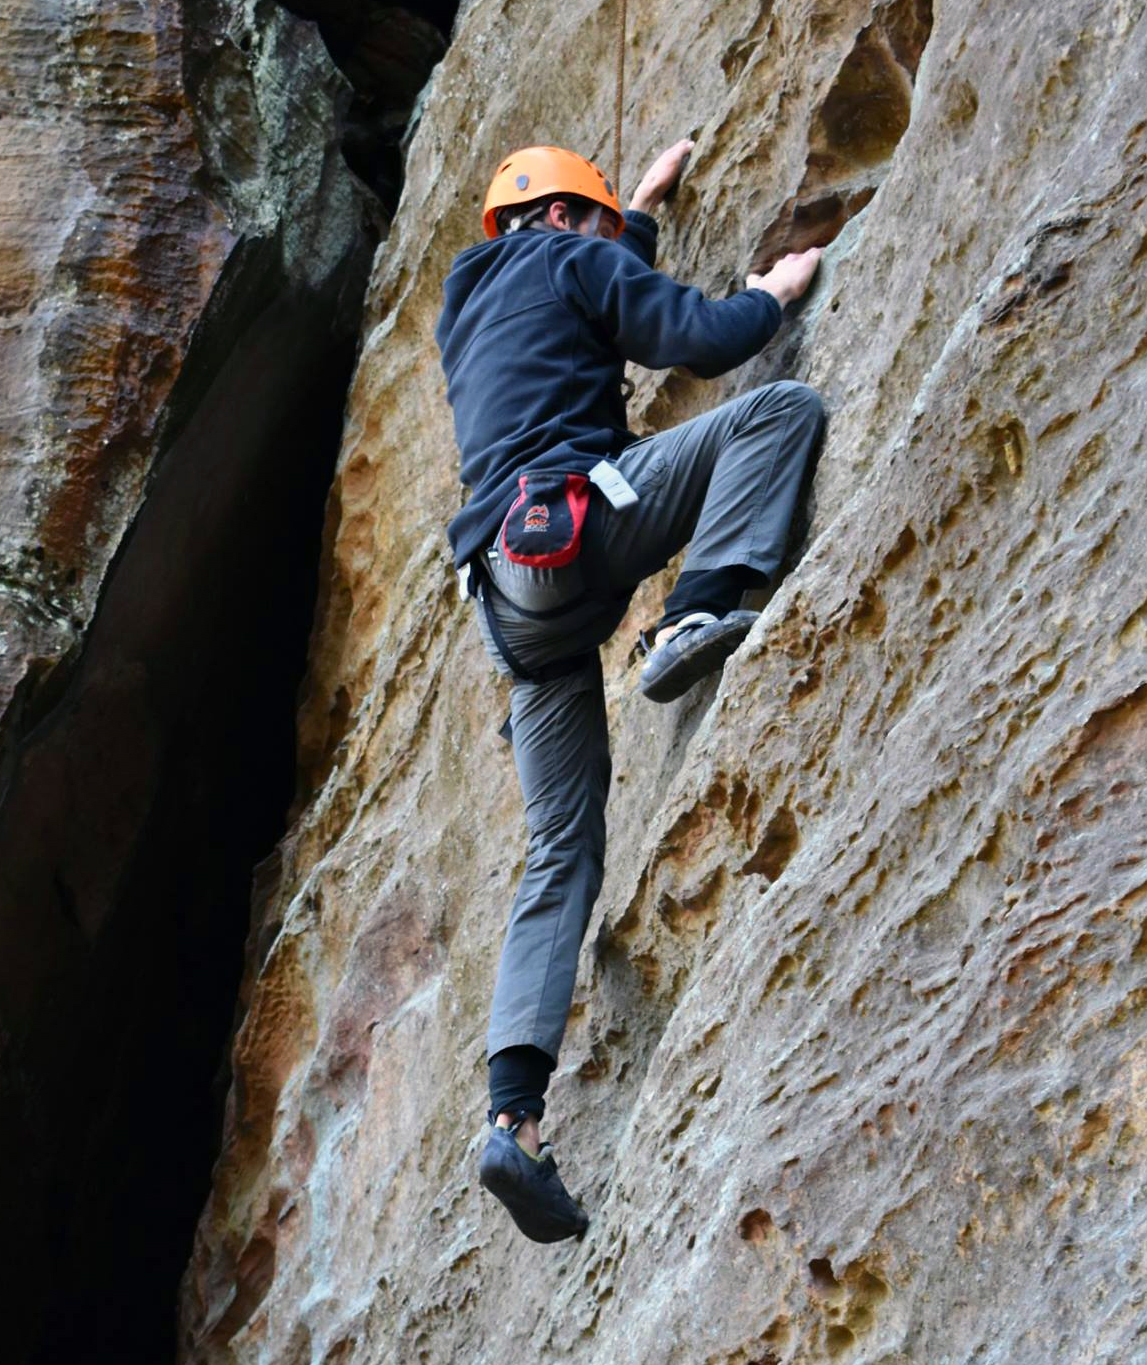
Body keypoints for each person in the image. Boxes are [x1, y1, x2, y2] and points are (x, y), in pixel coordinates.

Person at [435, 140, 824, 1242]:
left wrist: (637, 215)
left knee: (560, 849)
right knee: (776, 414)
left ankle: (512, 1119)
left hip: (510, 602)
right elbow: (693, 339)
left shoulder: (471, 307)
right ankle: (698, 609)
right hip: (581, 525)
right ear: (564, 216)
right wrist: (768, 292)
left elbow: (580, 314)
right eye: (601, 223)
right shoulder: (571, 256)